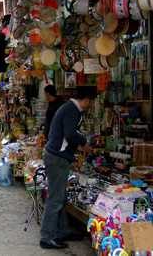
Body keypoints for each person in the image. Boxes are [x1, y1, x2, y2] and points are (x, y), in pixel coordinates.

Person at [40, 87, 94, 249]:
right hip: (57, 158)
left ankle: (62, 230)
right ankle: (47, 237)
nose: (90, 105)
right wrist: (83, 143)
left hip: (57, 156)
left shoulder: (68, 108)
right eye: (91, 101)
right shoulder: (72, 110)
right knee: (55, 199)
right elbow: (70, 134)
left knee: (60, 197)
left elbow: (67, 134)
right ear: (86, 100)